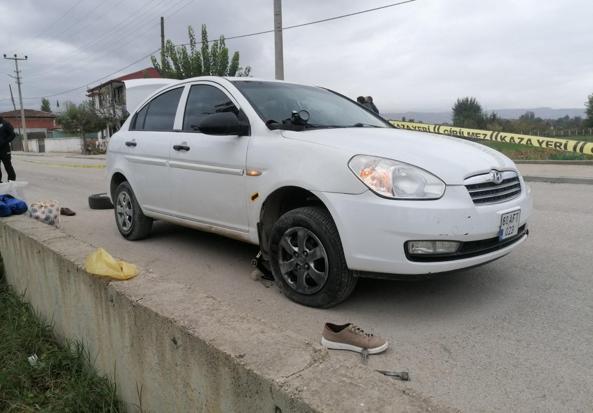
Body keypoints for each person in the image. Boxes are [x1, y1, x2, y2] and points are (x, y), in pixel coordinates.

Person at [0, 116, 17, 183]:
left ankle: (11, 180)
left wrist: (5, 141)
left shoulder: (6, 124)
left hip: (5, 149)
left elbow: (12, 135)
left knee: (7, 165)